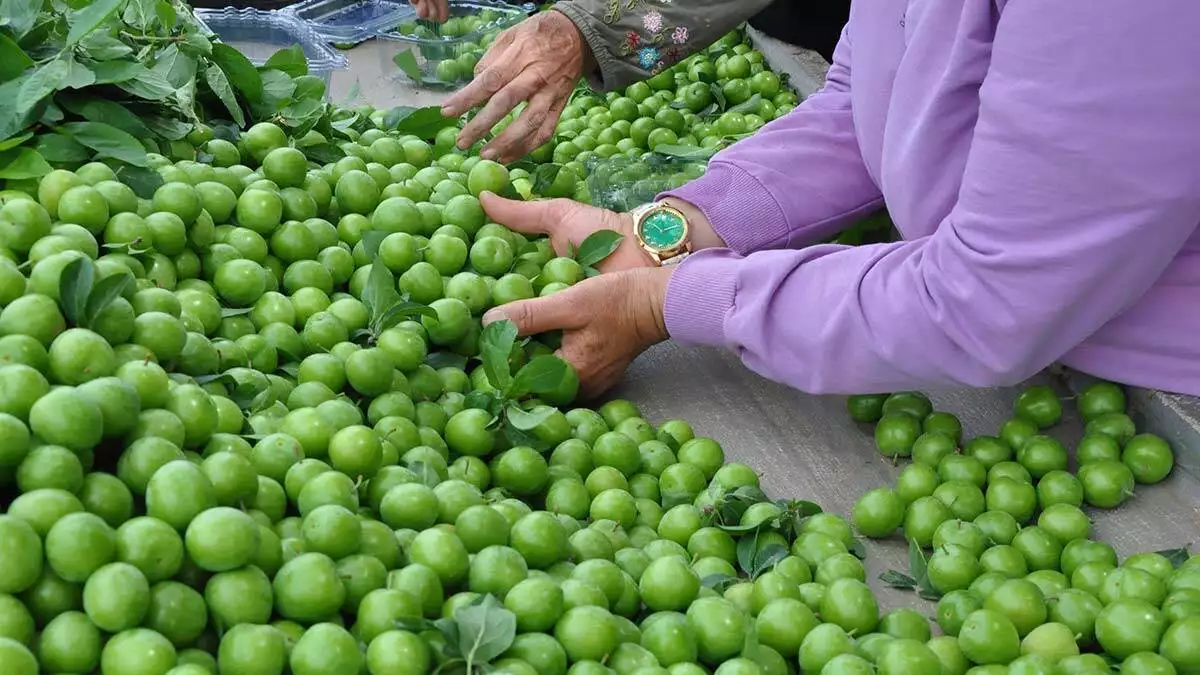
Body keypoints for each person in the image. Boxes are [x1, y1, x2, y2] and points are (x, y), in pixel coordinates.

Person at [452, 1, 1200, 401]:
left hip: (1151, 380)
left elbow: (992, 300)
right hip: (1002, 336)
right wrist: (666, 233)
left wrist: (665, 301)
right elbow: (865, 103)